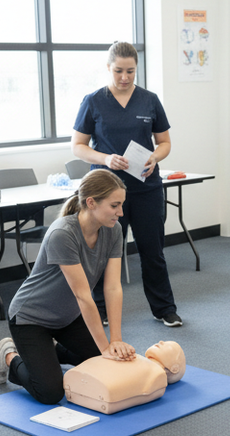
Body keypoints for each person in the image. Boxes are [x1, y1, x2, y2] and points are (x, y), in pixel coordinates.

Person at [0, 170, 136, 405]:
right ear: (91, 202)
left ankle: (47, 349)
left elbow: (113, 287)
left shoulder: (114, 230)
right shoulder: (63, 233)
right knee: (50, 393)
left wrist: (114, 341)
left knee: (102, 362)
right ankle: (9, 354)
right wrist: (106, 347)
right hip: (31, 318)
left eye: (122, 205)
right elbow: (83, 295)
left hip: (67, 317)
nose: (121, 212)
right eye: (115, 205)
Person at [71, 41, 182, 327]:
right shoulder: (93, 101)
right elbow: (78, 147)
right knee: (102, 253)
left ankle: (164, 308)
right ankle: (100, 309)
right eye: (118, 71)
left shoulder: (149, 100)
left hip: (145, 189)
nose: (124, 77)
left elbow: (165, 142)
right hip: (105, 192)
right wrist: (106, 159)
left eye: (130, 71)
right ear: (108, 68)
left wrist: (155, 157)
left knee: (152, 250)